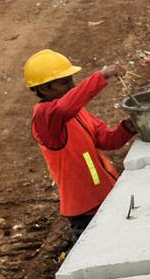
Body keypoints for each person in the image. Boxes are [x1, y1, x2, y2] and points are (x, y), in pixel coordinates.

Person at [25, 49, 136, 247]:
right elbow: (64, 108)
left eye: (71, 79)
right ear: (45, 89)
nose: (72, 85)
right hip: (85, 208)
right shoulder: (45, 118)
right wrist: (101, 76)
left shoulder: (75, 112)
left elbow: (107, 140)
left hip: (105, 193)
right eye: (65, 82)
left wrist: (128, 127)